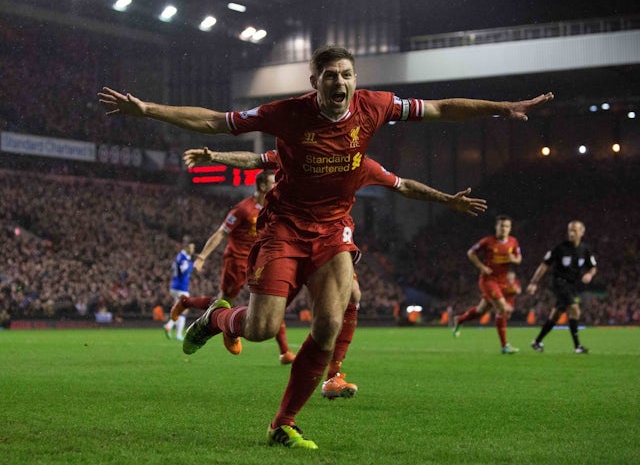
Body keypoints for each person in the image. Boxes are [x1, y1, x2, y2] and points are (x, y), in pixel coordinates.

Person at [99, 44, 553, 449]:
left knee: (329, 322)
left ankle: (284, 423)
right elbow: (217, 122)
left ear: (356, 80)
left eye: (346, 74)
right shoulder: (287, 113)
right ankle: (216, 318)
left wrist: (502, 107)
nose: (340, 81)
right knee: (260, 328)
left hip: (334, 230)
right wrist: (147, 109)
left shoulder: (375, 106)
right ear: (314, 82)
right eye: (330, 75)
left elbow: (441, 108)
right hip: (284, 227)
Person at [183, 146, 489, 399]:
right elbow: (255, 159)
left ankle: (334, 376)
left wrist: (446, 199)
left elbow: (404, 185)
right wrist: (214, 157)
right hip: (285, 240)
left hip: (329, 240)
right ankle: (216, 319)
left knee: (353, 294)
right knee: (260, 327)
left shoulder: (360, 163)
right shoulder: (300, 152)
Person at [171, 170, 298, 364]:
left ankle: (284, 352)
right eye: (273, 183)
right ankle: (190, 305)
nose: (277, 186)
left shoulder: (274, 208)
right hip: (237, 261)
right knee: (222, 304)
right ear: (262, 186)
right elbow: (221, 233)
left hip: (260, 261)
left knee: (272, 301)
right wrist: (202, 256)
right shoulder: (243, 209)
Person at [453, 215, 522, 354]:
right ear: (496, 227)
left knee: (481, 311)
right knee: (502, 309)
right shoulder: (488, 241)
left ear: (510, 228)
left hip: (502, 282)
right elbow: (471, 252)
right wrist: (481, 267)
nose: (504, 229)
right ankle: (504, 346)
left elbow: (519, 259)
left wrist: (514, 259)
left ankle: (460, 319)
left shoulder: (513, 242)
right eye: (501, 226)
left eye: (507, 226)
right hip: (488, 280)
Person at [527, 220, 596, 353]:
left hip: (572, 285)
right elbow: (544, 265)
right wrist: (533, 282)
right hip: (559, 283)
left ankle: (537, 341)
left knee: (556, 315)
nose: (571, 233)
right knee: (575, 310)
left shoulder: (584, 249)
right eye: (570, 230)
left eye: (575, 230)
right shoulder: (560, 248)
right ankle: (577, 347)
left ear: (582, 232)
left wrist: (589, 274)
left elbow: (593, 267)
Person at [163, 236, 195, 341]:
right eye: (191, 248)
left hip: (175, 286)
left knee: (180, 309)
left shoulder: (180, 256)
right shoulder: (183, 258)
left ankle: (172, 329)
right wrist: (192, 264)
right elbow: (184, 270)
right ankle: (173, 329)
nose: (192, 250)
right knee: (184, 310)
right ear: (186, 247)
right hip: (181, 287)